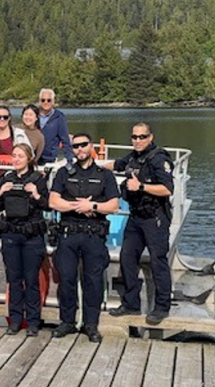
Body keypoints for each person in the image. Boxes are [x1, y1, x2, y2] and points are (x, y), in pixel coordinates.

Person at [49, 133, 119, 343]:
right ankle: (67, 322)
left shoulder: (105, 175)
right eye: (75, 146)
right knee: (67, 279)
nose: (79, 149)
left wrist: (94, 206)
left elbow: (113, 206)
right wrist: (79, 206)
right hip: (69, 233)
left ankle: (91, 325)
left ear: (91, 147)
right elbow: (53, 201)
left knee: (93, 281)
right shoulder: (63, 173)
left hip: (93, 233)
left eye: (83, 145)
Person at [105, 123, 174, 325]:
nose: (137, 140)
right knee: (127, 257)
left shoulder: (158, 159)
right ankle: (131, 304)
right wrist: (94, 165)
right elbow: (117, 164)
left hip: (155, 218)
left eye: (142, 137)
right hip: (136, 217)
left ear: (150, 137)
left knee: (157, 261)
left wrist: (141, 186)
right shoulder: (133, 157)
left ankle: (162, 307)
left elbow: (168, 189)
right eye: (134, 137)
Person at [0, 143, 48, 336]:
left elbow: (47, 205)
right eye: (14, 156)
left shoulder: (37, 179)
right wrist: (0, 192)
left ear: (28, 159)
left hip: (32, 236)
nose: (16, 159)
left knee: (31, 280)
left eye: (20, 156)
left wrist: (36, 193)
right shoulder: (6, 179)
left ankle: (33, 321)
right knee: (14, 279)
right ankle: (15, 320)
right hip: (11, 235)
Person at [37, 88, 73, 165]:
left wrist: (69, 159)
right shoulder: (33, 115)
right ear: (39, 102)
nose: (46, 102)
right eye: (43, 100)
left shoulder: (59, 117)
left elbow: (65, 139)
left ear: (53, 102)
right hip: (34, 157)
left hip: (50, 158)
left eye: (49, 100)